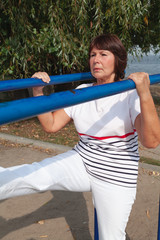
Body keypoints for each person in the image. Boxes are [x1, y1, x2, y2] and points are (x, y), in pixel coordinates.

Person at [0, 33, 160, 240]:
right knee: (34, 175)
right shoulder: (82, 91)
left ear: (118, 59)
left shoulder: (129, 94)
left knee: (110, 237)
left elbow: (151, 141)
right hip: (82, 161)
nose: (96, 60)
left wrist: (145, 93)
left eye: (104, 54)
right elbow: (51, 125)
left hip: (116, 175)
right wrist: (37, 91)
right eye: (93, 55)